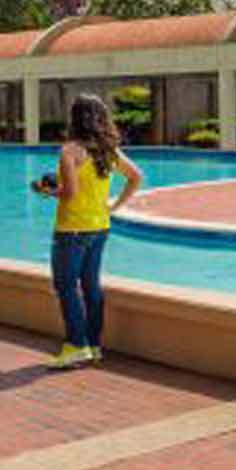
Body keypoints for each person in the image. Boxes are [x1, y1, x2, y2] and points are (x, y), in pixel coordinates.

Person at [32, 94, 144, 368]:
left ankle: (75, 345)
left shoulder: (70, 151)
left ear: (75, 118)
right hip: (100, 226)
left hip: (72, 229)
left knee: (66, 285)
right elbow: (136, 176)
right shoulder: (108, 150)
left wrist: (46, 191)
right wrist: (114, 205)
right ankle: (93, 345)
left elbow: (70, 193)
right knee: (91, 285)